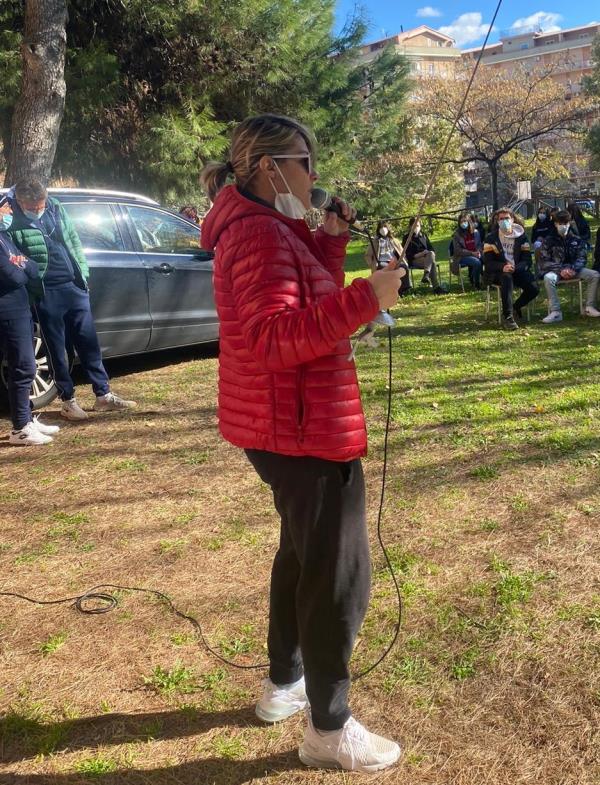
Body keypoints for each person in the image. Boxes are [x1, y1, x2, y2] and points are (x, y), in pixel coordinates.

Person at [200, 114, 402, 773]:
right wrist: (366, 299)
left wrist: (334, 248)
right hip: (302, 429)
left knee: (301, 555)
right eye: (306, 163)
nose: (314, 179)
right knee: (336, 577)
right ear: (267, 167)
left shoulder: (268, 227)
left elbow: (302, 291)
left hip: (285, 423)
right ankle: (328, 726)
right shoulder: (258, 234)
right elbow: (274, 339)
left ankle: (284, 682)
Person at [7, 179, 136, 419]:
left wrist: (82, 274)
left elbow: (73, 239)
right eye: (32, 207)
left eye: (40, 205)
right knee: (58, 349)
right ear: (21, 202)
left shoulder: (54, 207)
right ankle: (68, 400)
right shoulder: (9, 215)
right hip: (46, 292)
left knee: (88, 342)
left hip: (74, 286)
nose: (37, 210)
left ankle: (103, 395)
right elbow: (11, 255)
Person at [0, 226, 60, 445]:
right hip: (7, 312)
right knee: (22, 367)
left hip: (20, 307)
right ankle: (20, 429)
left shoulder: (3, 236)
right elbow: (12, 276)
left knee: (27, 366)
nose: (6, 209)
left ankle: (27, 419)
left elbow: (32, 267)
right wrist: (20, 265)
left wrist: (20, 264)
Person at [537, 209, 600, 323]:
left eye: (565, 223)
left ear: (569, 223)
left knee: (594, 275)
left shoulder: (576, 239)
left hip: (574, 269)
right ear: (555, 224)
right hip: (556, 271)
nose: (563, 226)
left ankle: (589, 307)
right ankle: (556, 312)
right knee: (548, 278)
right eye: (560, 223)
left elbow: (582, 258)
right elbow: (544, 261)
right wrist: (561, 269)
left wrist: (572, 269)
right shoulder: (548, 240)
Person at [482, 208, 539, 330]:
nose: (504, 221)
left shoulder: (521, 237)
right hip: (498, 273)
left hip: (517, 270)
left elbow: (527, 260)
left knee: (534, 288)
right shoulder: (491, 238)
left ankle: (515, 307)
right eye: (501, 219)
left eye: (506, 218)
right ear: (497, 221)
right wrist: (503, 267)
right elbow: (488, 262)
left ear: (512, 219)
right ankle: (508, 317)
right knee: (506, 278)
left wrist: (516, 268)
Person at [365, 220, 411, 297]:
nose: (383, 229)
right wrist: (372, 264)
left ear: (388, 228)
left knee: (403, 267)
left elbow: (402, 252)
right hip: (382, 261)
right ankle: (387, 290)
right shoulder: (375, 241)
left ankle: (403, 288)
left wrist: (402, 259)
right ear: (378, 230)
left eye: (384, 227)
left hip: (394, 260)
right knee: (384, 268)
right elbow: (368, 255)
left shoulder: (394, 240)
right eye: (381, 227)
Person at [401, 216, 444, 293]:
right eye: (414, 226)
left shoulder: (423, 235)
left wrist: (426, 253)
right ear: (410, 226)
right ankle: (436, 287)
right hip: (415, 260)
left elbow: (431, 249)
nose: (416, 228)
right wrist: (421, 254)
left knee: (431, 254)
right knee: (432, 263)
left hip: (427, 258)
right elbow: (407, 255)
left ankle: (426, 274)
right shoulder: (406, 238)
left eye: (417, 226)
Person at [451, 212, 482, 288]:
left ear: (469, 222)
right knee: (477, 262)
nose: (463, 223)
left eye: (465, 221)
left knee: (486, 259)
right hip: (462, 257)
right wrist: (472, 253)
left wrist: (478, 251)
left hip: (475, 253)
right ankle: (476, 283)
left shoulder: (476, 232)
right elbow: (458, 251)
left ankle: (488, 281)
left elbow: (479, 245)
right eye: (461, 222)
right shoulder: (456, 234)